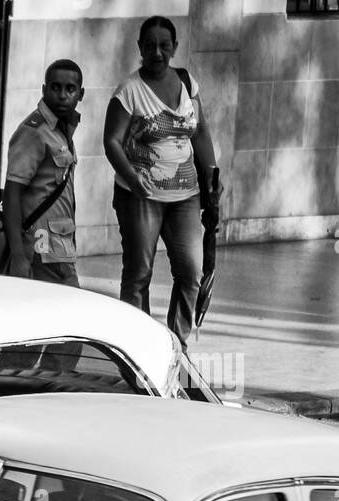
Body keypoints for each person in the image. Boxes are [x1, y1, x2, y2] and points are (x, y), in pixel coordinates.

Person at [103, 14, 222, 350]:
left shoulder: (187, 83)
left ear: (174, 48)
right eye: (150, 45)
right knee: (139, 273)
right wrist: (132, 177)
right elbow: (111, 141)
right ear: (140, 47)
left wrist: (211, 174)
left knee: (190, 272)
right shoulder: (128, 91)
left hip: (186, 197)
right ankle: (136, 347)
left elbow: (200, 131)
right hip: (140, 197)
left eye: (164, 45)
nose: (157, 52)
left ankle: (177, 345)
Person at [5, 60, 84, 285]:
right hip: (40, 246)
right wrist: (18, 255)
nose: (62, 95)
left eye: (70, 89)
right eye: (55, 87)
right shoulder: (34, 131)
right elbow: (12, 192)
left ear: (81, 94)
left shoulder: (63, 128)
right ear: (44, 89)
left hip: (61, 245)